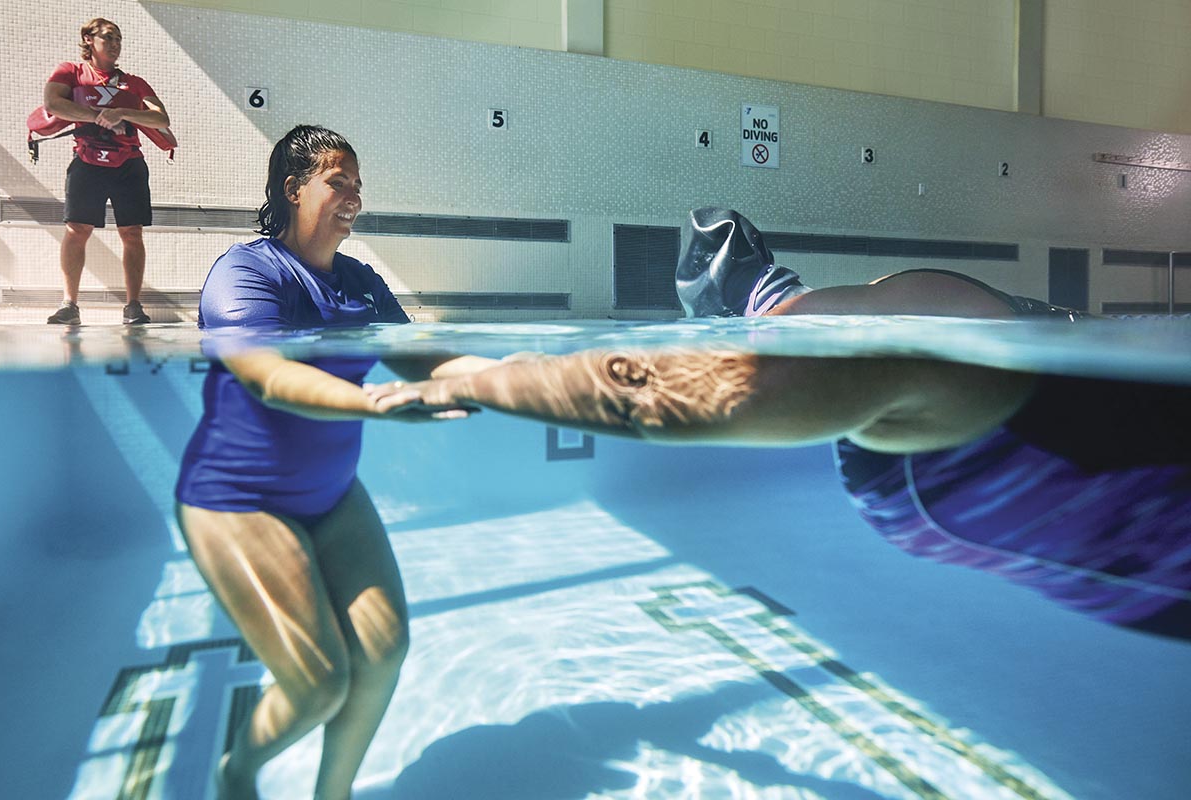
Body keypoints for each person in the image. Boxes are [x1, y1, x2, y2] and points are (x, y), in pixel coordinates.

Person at [369, 207, 1191, 642]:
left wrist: (470, 376)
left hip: (955, 476)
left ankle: (764, 305)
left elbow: (743, 392)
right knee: (938, 326)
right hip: (1021, 425)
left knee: (918, 338)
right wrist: (473, 376)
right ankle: (767, 303)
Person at [175, 125, 490, 800]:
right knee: (318, 682)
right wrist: (371, 404)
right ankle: (236, 774)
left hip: (332, 495)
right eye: (336, 181)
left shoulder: (361, 282)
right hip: (235, 498)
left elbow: (423, 360)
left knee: (381, 654)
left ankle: (334, 795)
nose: (353, 196)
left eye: (357, 184)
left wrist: (510, 377)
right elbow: (266, 377)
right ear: (293, 189)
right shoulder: (247, 272)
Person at [43, 18, 169, 325]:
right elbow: (53, 103)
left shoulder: (134, 83)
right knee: (77, 230)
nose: (115, 45)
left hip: (129, 164)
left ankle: (133, 305)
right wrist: (99, 116)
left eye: (119, 39)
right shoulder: (71, 72)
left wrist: (123, 112)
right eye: (108, 38)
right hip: (87, 162)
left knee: (132, 232)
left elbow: (160, 119)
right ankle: (69, 304)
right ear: (89, 38)